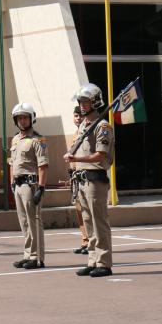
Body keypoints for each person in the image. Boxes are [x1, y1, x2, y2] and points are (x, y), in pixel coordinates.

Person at [65, 83, 114, 277]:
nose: (82, 105)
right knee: (88, 222)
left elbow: (100, 155)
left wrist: (75, 159)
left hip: (95, 180)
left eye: (85, 101)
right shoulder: (83, 126)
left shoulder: (102, 126)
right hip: (82, 180)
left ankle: (104, 262)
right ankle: (93, 260)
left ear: (95, 102)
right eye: (80, 102)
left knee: (99, 221)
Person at [8, 102, 48, 269]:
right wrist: (11, 182)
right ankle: (27, 254)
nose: (22, 121)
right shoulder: (16, 139)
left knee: (33, 221)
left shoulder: (38, 139)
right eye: (19, 118)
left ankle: (37, 257)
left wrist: (41, 188)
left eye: (25, 118)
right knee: (23, 222)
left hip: (30, 184)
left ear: (31, 119)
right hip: (18, 185)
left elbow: (43, 166)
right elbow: (11, 163)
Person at [71, 106, 90, 254]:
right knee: (79, 211)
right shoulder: (75, 134)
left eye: (81, 116)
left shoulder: (87, 133)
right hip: (75, 177)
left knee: (88, 212)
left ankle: (91, 241)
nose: (78, 119)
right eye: (76, 116)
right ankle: (85, 240)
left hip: (86, 177)